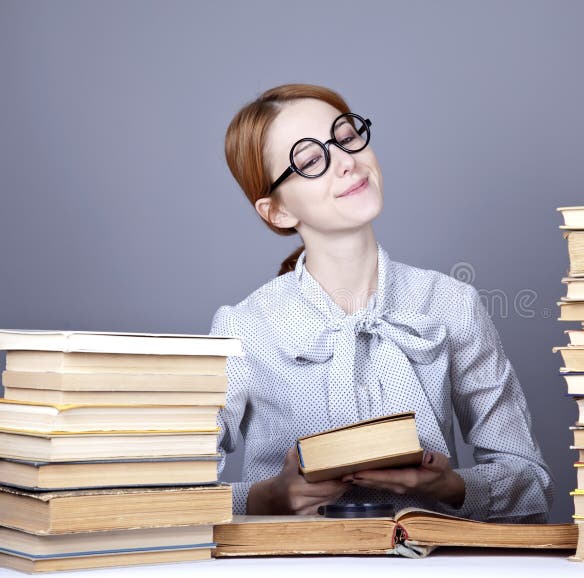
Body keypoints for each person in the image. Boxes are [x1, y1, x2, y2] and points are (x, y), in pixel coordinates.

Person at [210, 83, 554, 522]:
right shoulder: (245, 327)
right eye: (312, 160)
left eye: (347, 137)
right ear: (277, 212)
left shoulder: (451, 304)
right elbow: (166, 492)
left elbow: (533, 487)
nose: (347, 162)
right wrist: (265, 499)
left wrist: (452, 487)